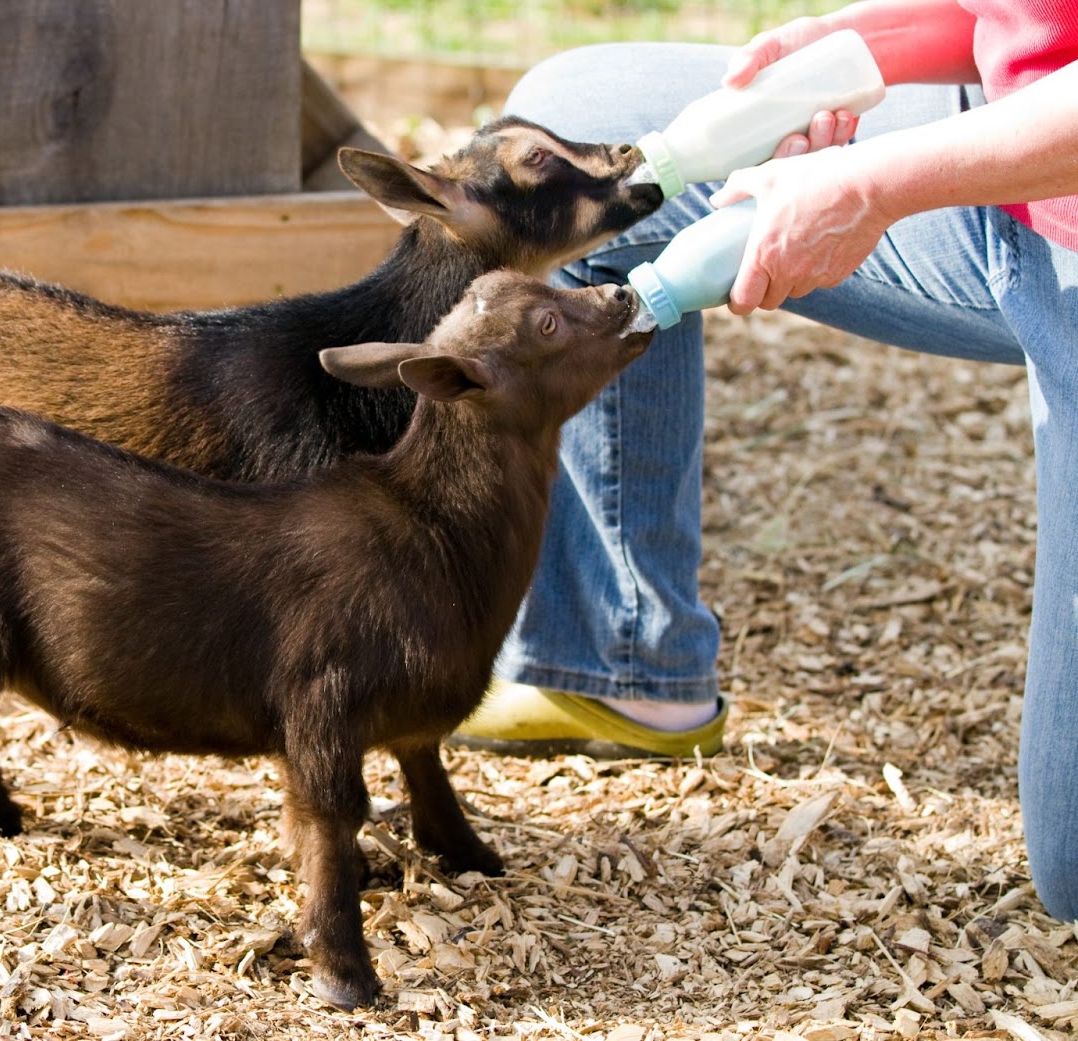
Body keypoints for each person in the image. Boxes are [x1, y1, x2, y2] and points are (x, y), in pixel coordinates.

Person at [449, 0, 1078, 921]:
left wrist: (872, 185)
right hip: (1013, 154)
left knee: (1071, 869)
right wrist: (850, 48)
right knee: (577, 117)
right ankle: (617, 655)